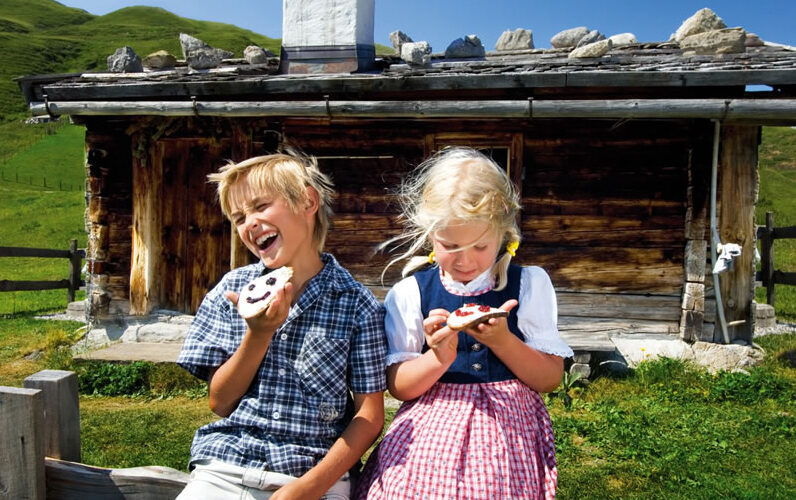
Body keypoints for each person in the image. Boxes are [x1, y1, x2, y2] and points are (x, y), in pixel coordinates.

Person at [355, 147, 574, 499]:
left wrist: (503, 341)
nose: (466, 260)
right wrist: (438, 356)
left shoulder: (529, 284)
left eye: (480, 246)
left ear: (503, 234)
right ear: (430, 236)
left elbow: (549, 379)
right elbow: (400, 387)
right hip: (431, 430)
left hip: (505, 434)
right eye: (450, 245)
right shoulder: (411, 293)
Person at [176, 151, 388, 500]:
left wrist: (309, 487)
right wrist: (258, 335)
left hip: (313, 473)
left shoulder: (356, 304)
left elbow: (370, 414)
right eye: (239, 217)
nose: (249, 223)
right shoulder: (231, 291)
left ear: (307, 201)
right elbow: (220, 401)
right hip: (226, 467)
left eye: (261, 206)